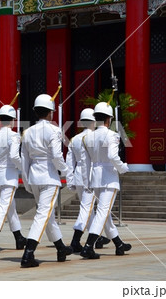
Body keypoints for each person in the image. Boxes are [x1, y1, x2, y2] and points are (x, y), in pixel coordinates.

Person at [20, 93, 73, 268]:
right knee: (43, 215)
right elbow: (57, 156)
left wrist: (27, 181)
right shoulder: (54, 130)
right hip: (49, 177)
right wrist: (66, 171)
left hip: (34, 176)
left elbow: (24, 159)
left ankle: (60, 248)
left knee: (46, 215)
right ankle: (28, 254)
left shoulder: (27, 132)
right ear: (50, 113)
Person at [79, 102, 131, 259]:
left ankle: (118, 244)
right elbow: (113, 156)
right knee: (103, 212)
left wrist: (87, 181)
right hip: (108, 177)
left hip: (95, 178)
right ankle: (89, 246)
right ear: (109, 119)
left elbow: (85, 162)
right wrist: (123, 168)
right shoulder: (112, 135)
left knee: (104, 213)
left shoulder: (87, 137)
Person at [0, 105, 27, 253]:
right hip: (9, 176)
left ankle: (19, 238)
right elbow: (15, 156)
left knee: (10, 208)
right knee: (3, 207)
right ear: (13, 120)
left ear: (0, 120)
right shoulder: (14, 136)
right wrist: (23, 168)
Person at [66, 108, 111, 252]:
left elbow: (69, 162)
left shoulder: (74, 139)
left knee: (89, 209)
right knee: (87, 209)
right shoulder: (94, 137)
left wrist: (70, 180)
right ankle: (76, 239)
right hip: (90, 176)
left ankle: (96, 238)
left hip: (78, 176)